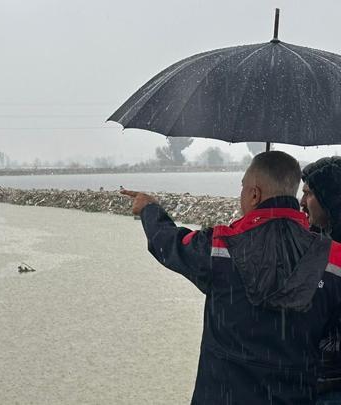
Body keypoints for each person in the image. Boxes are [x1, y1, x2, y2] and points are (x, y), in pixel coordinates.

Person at [121, 151, 341, 405]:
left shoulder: (219, 247)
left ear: (254, 194)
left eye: (243, 188)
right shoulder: (333, 258)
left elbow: (169, 243)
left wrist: (149, 209)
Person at [301, 157, 341, 404]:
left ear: (331, 197)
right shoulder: (313, 243)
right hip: (310, 381)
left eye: (309, 194)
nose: (301, 203)